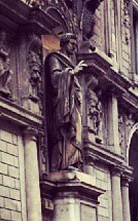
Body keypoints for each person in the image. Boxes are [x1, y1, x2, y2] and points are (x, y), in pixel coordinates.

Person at [45, 33, 86, 171]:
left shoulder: (68, 62)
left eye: (75, 45)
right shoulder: (54, 58)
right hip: (61, 104)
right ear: (63, 43)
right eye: (72, 44)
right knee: (66, 130)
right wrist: (71, 73)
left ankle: (72, 162)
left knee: (76, 130)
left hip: (73, 103)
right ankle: (63, 163)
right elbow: (54, 79)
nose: (74, 48)